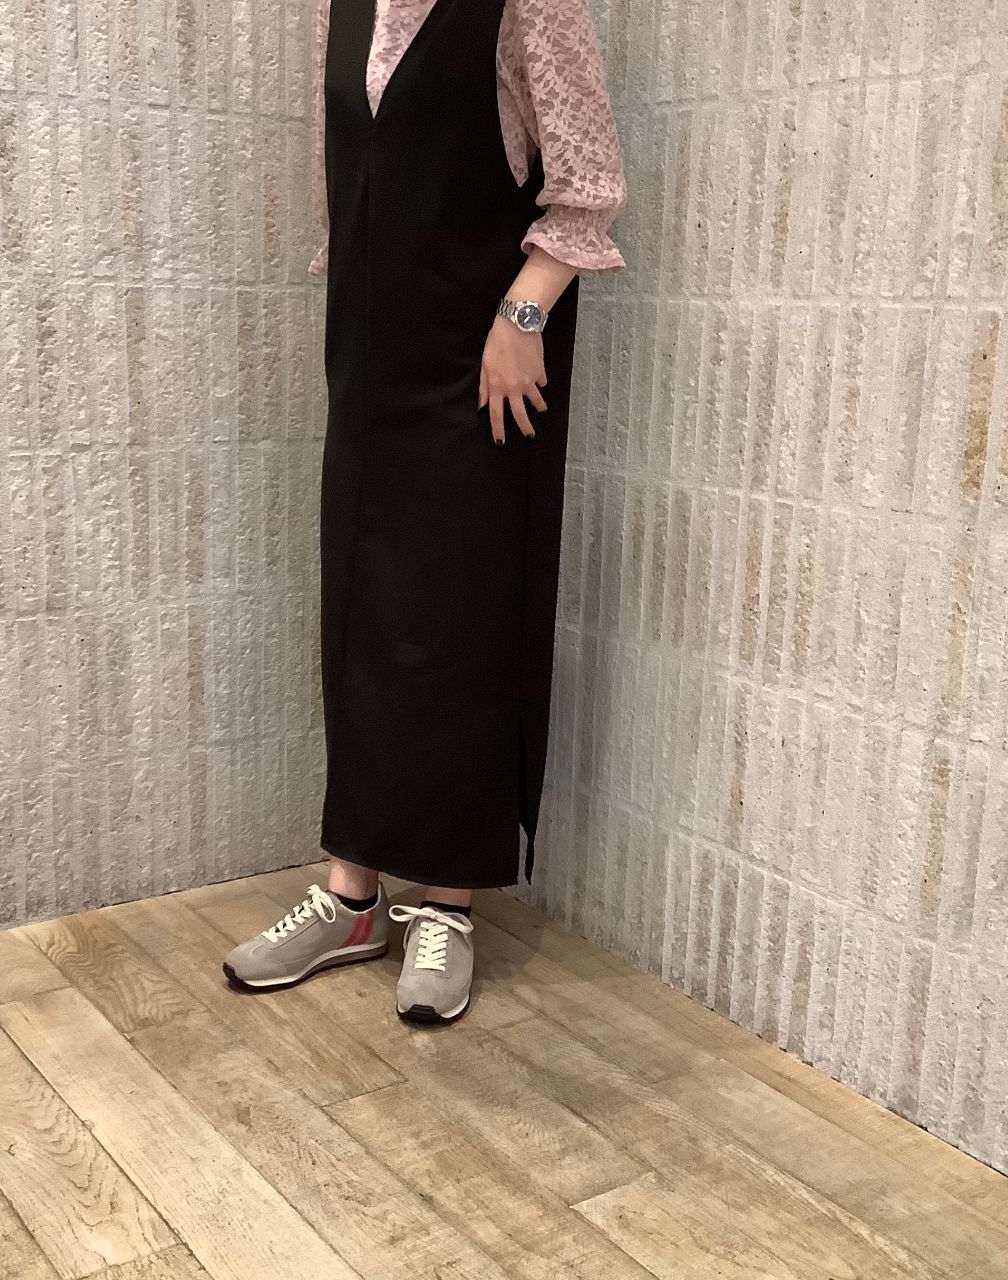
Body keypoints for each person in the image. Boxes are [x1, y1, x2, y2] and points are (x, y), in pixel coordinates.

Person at [223, 0, 626, 1023]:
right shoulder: (347, 7)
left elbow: (586, 189)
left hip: (486, 361)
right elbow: (354, 184)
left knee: (460, 616)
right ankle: (351, 894)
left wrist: (522, 316)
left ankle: (447, 903)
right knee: (362, 611)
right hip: (371, 356)